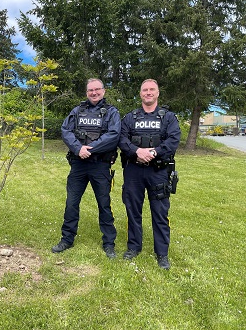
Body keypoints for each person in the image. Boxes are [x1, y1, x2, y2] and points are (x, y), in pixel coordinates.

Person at [52, 78, 120, 258]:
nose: (94, 93)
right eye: (90, 90)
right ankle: (67, 239)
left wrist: (90, 149)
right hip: (78, 165)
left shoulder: (111, 112)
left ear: (104, 91)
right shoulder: (77, 111)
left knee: (104, 204)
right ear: (86, 92)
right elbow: (65, 130)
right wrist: (77, 148)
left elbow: (113, 135)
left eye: (97, 89)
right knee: (71, 203)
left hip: (100, 165)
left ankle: (109, 243)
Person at [118, 79, 181, 269]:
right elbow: (121, 138)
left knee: (160, 212)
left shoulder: (168, 117)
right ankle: (134, 247)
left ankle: (162, 253)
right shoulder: (130, 117)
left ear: (158, 93)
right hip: (134, 170)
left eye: (151, 89)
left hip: (158, 170)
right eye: (145, 90)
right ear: (140, 94)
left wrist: (153, 152)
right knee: (133, 210)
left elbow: (173, 139)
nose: (148, 92)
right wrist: (137, 151)